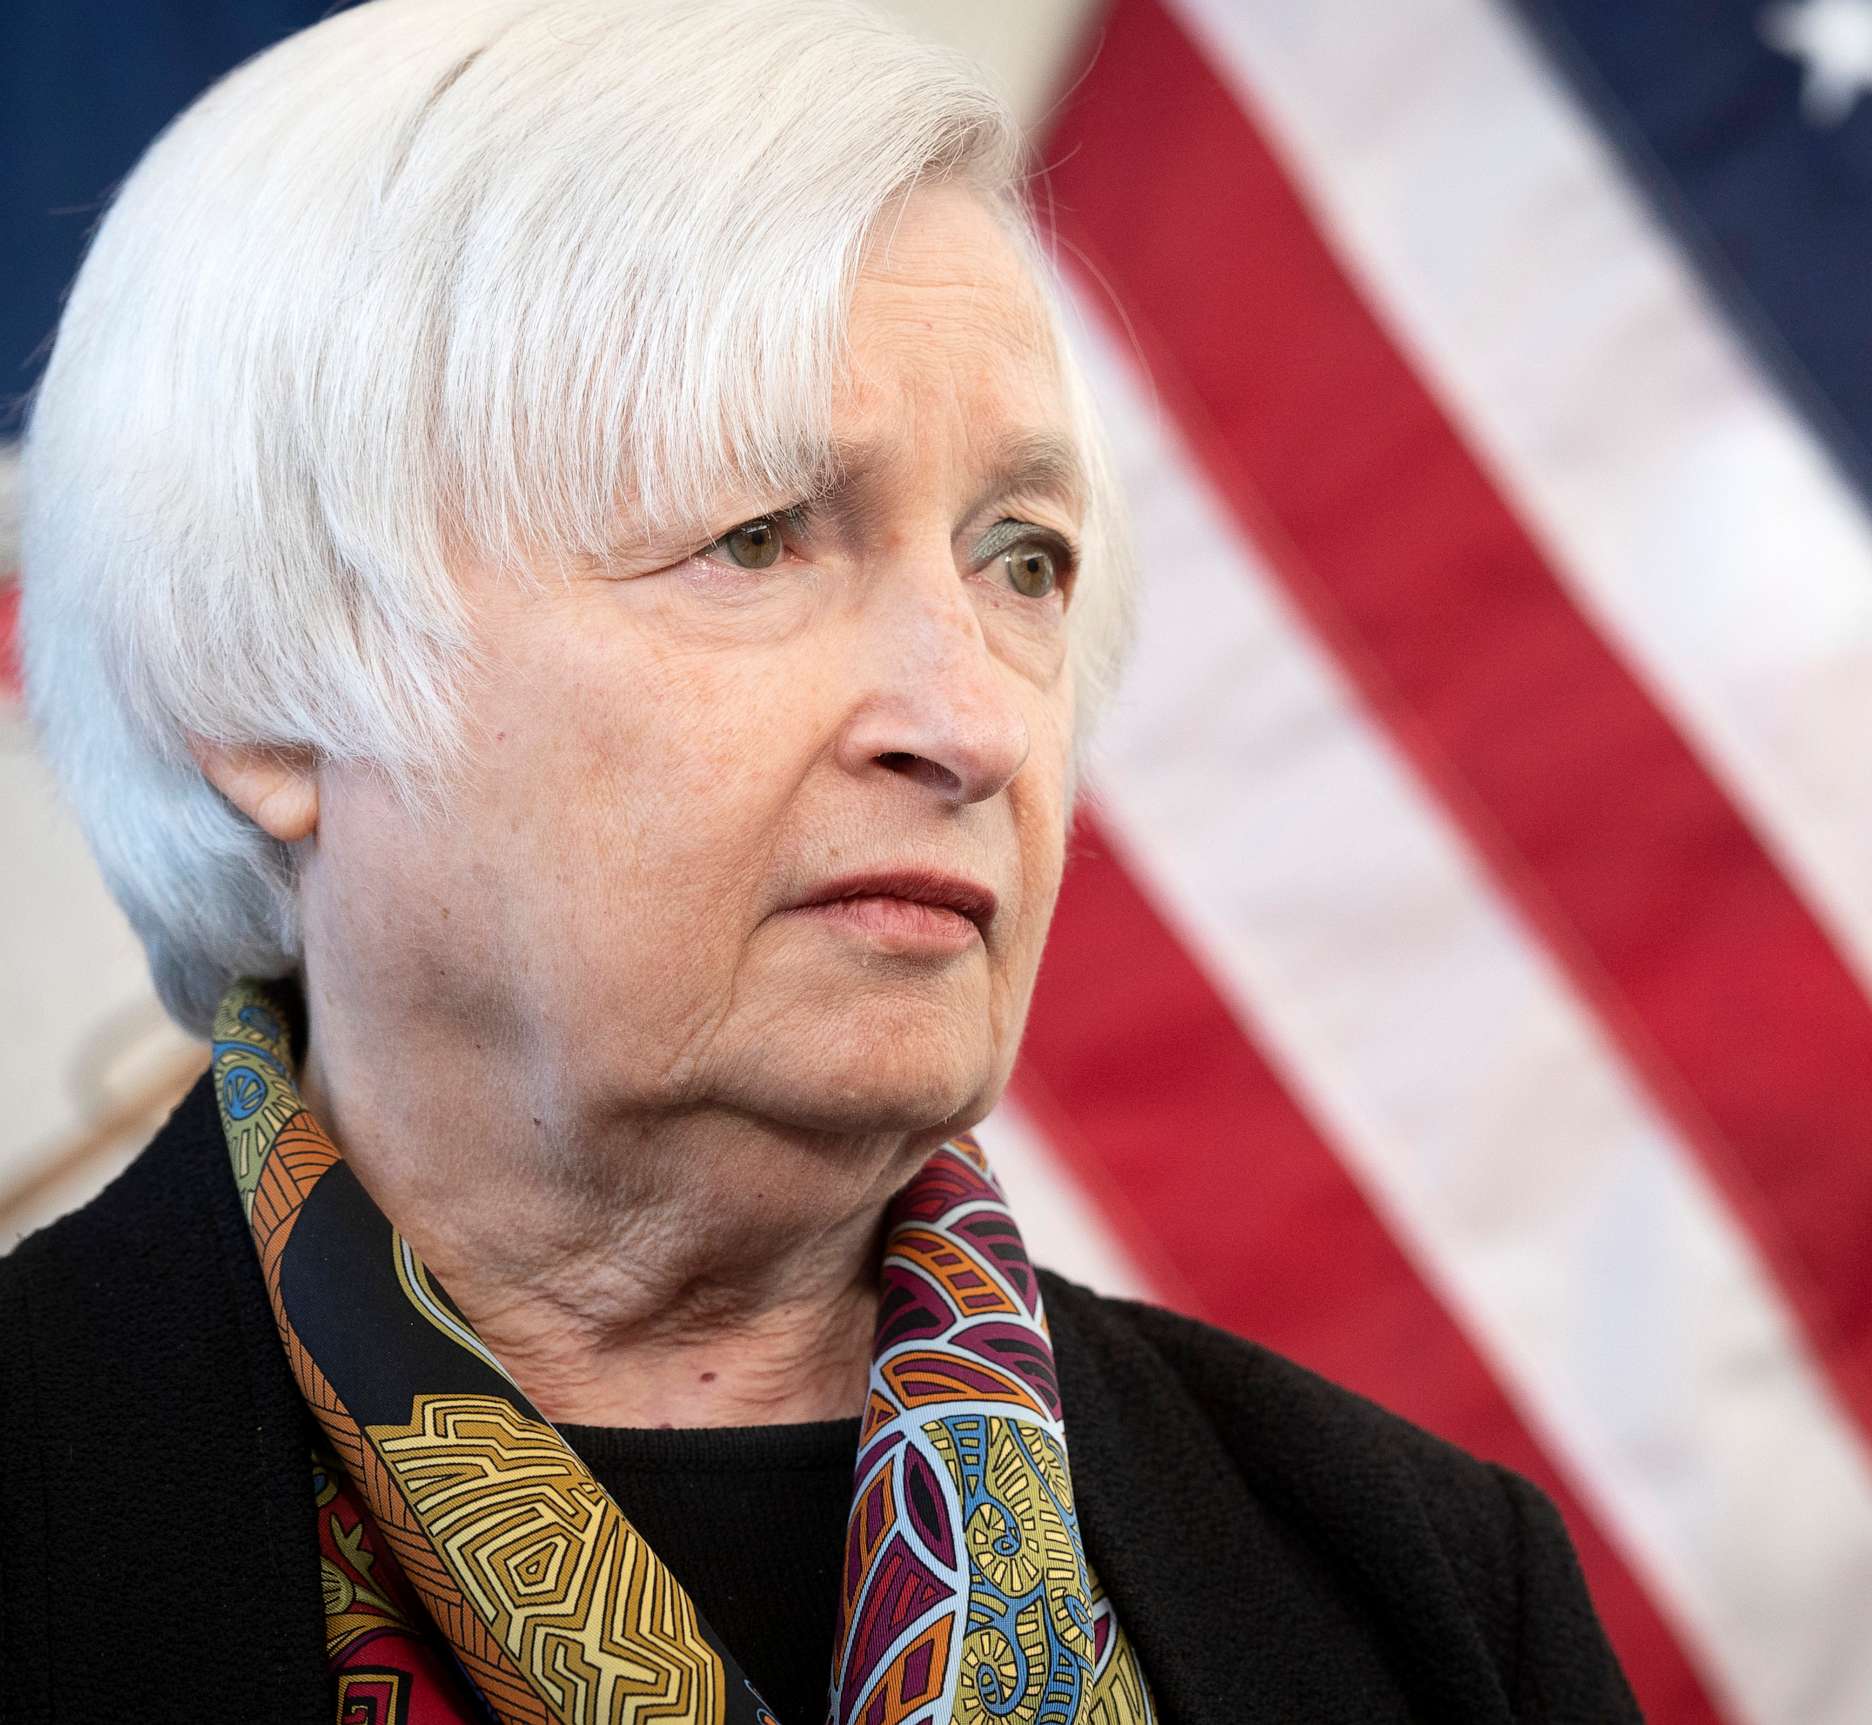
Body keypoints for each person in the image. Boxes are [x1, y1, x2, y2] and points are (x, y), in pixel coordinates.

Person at [0, 2, 1642, 1721]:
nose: (978, 722)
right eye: (760, 535)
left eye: (1025, 559)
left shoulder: (1436, 1598)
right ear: (261, 692)